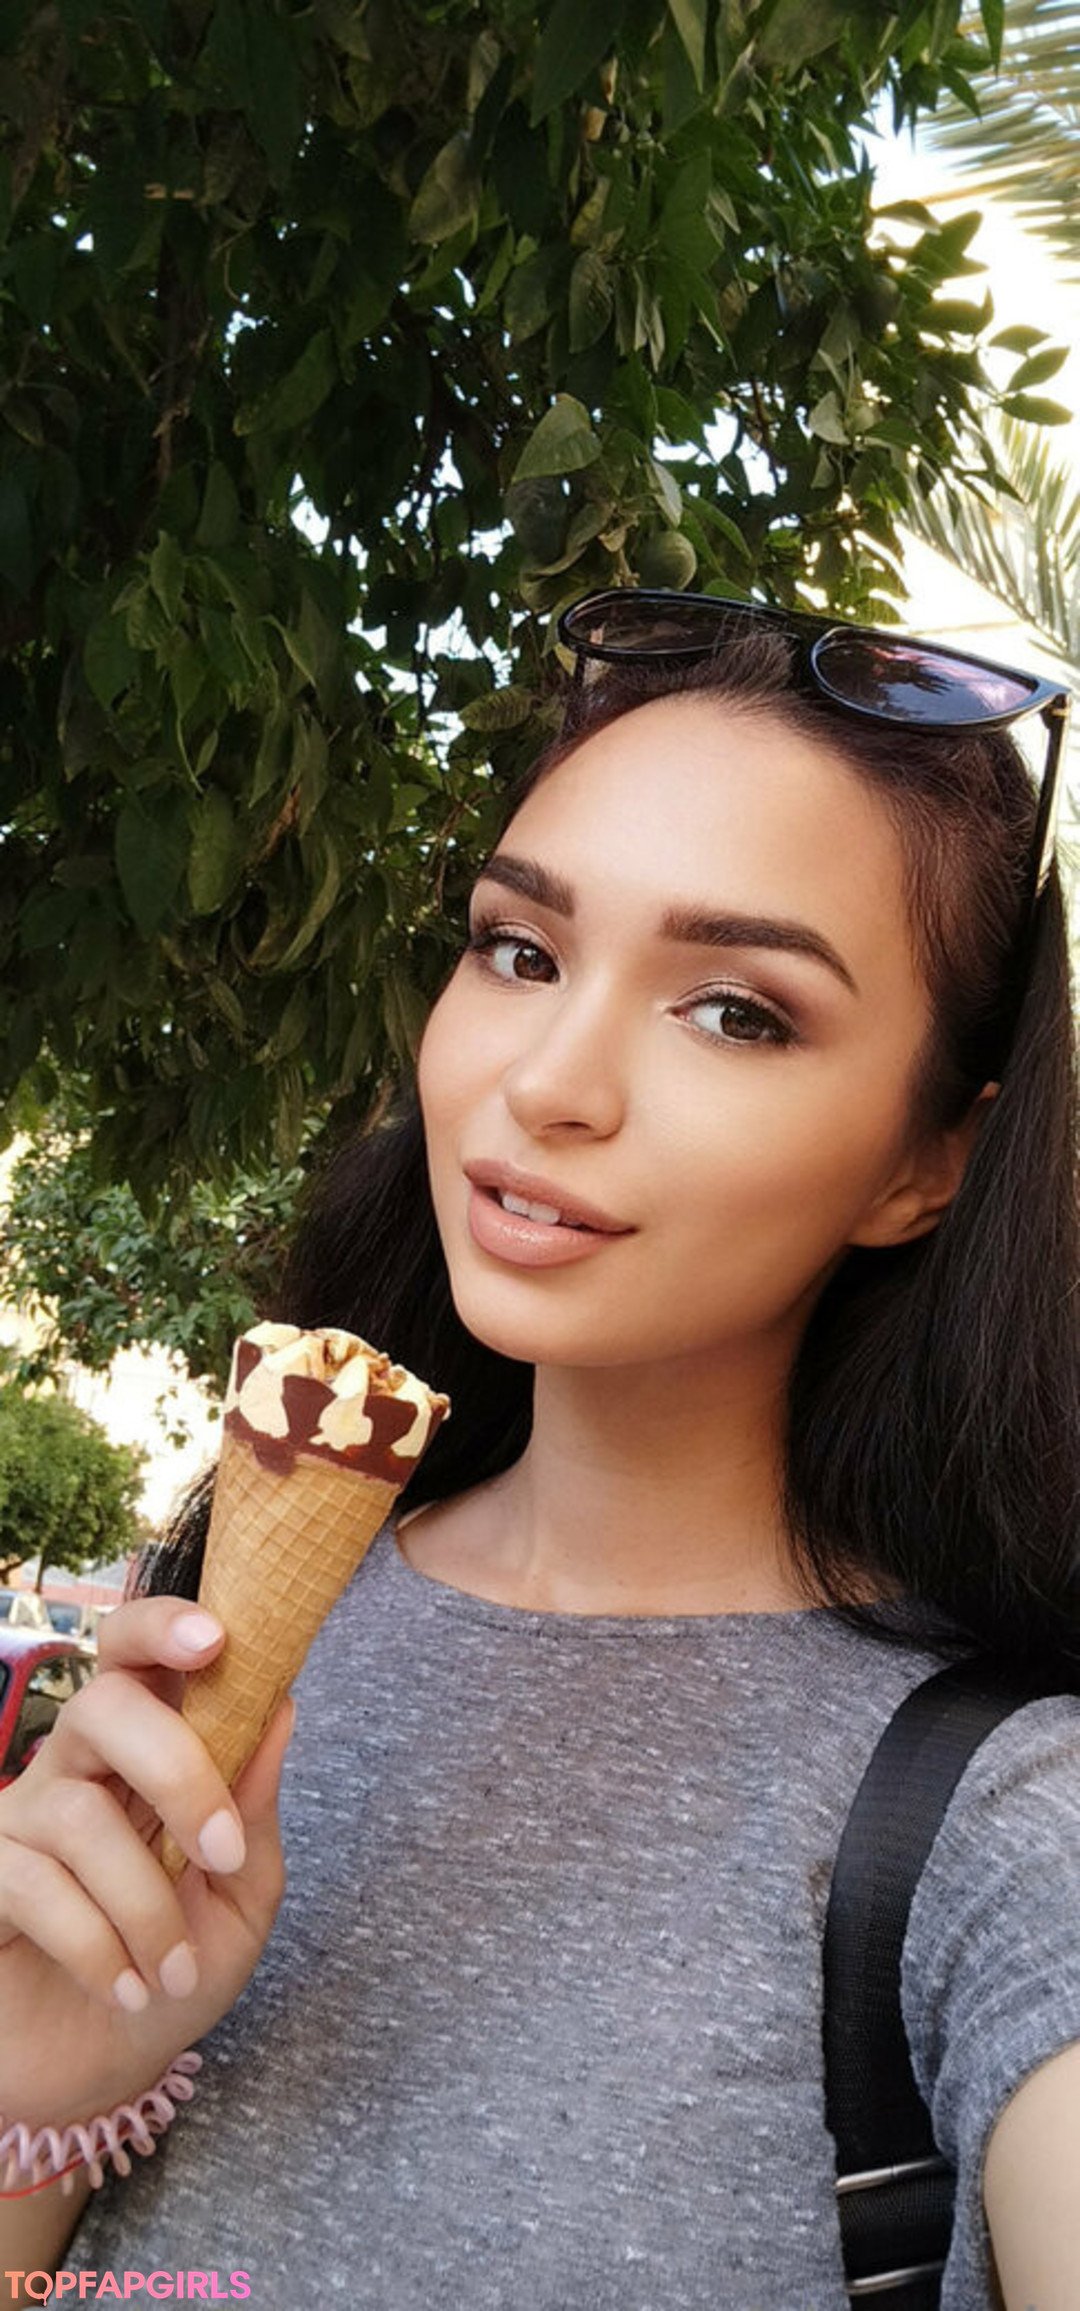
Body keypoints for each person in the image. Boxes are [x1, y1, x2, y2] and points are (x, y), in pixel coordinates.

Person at [1, 590, 1078, 2311]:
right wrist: (50, 2087)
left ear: (926, 1163)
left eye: (737, 1011)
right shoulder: (229, 1626)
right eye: (521, 950)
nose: (551, 1081)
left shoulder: (1007, 1817)